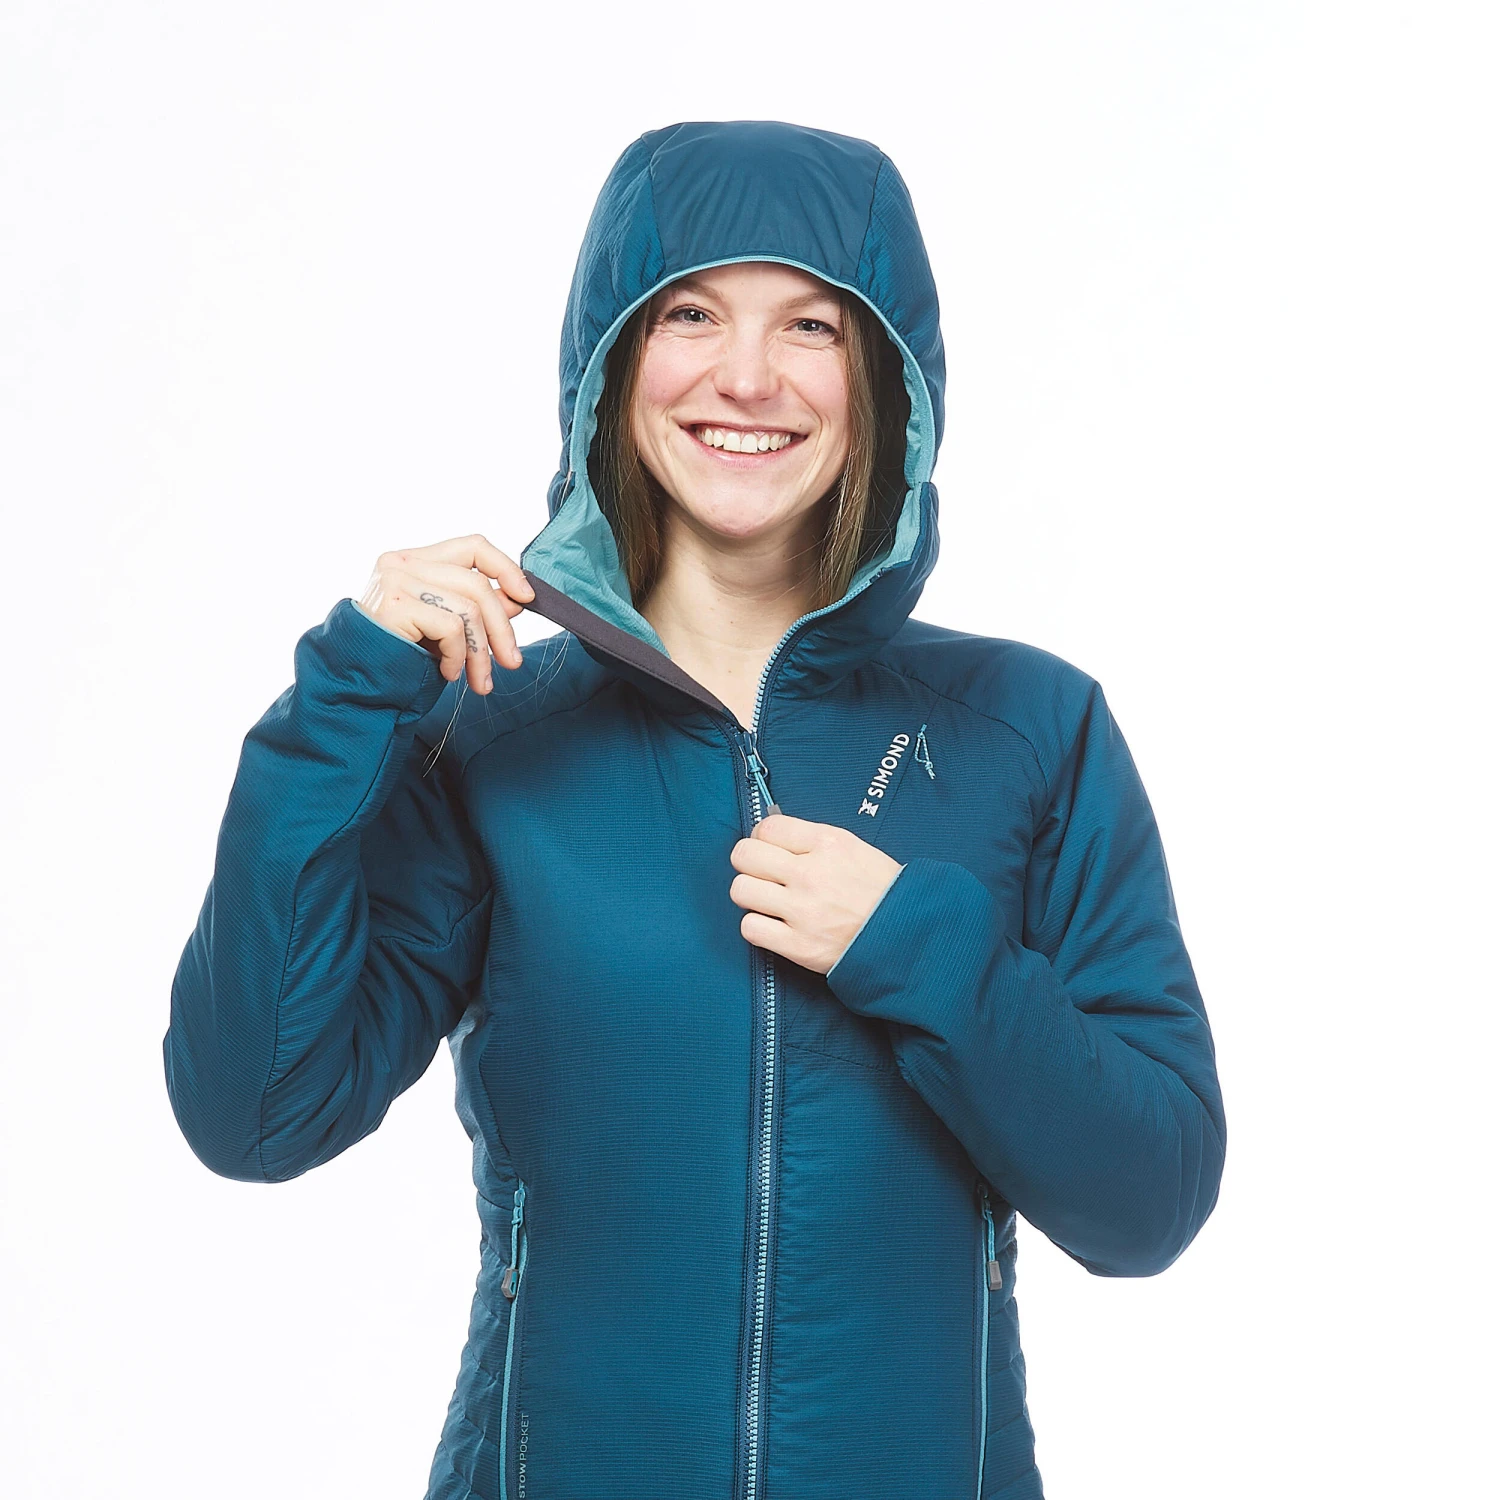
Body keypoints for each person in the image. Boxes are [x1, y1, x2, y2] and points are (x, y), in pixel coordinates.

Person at [163, 119, 1226, 1500]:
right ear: (612, 361)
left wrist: (918, 947)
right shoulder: (489, 735)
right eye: (691, 314)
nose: (747, 376)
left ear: (885, 378)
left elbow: (1148, 1201)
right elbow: (254, 1115)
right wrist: (343, 703)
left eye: (810, 327)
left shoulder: (1029, 729)